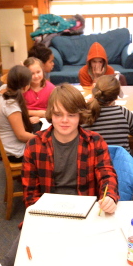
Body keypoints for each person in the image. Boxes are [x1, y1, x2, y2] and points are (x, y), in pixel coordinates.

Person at [22, 84, 118, 214]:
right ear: (50, 114)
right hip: (48, 211)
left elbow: (106, 174)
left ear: (80, 116)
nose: (64, 120)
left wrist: (109, 197)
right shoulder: (34, 145)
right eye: (58, 114)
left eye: (71, 115)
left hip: (86, 210)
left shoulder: (95, 141)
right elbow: (30, 194)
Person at [83, 74, 133, 152]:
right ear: (116, 97)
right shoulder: (123, 113)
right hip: (119, 163)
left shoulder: (83, 114)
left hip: (91, 162)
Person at [0, 64, 38, 161]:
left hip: (8, 145)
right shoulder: (11, 104)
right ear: (25, 87)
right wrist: (44, 139)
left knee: (39, 127)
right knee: (53, 147)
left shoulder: (2, 88)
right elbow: (21, 136)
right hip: (16, 152)